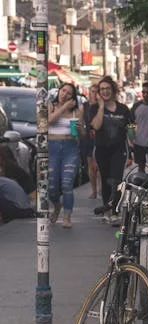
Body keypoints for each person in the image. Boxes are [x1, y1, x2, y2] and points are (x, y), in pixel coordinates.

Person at [89, 75, 133, 225]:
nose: (105, 92)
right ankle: (107, 209)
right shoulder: (94, 108)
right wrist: (101, 107)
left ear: (113, 90)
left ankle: (115, 210)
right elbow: (96, 126)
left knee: (116, 180)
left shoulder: (123, 109)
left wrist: (134, 131)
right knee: (106, 180)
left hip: (119, 150)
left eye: (108, 89)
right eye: (102, 89)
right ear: (98, 92)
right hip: (102, 149)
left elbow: (132, 124)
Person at [47, 82, 83, 229]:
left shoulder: (76, 111)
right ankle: (57, 205)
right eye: (63, 91)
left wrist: (81, 129)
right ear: (58, 91)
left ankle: (67, 216)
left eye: (69, 93)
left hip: (70, 148)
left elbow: (83, 133)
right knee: (51, 186)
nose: (65, 94)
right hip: (53, 148)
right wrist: (63, 108)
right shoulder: (50, 105)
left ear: (72, 97)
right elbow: (49, 120)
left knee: (67, 184)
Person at [80, 84, 101, 199]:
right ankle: (94, 191)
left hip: (99, 137)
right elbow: (80, 120)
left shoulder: (101, 106)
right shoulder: (85, 106)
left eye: (96, 92)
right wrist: (81, 132)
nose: (93, 94)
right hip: (88, 137)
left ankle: (100, 188)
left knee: (99, 165)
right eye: (92, 91)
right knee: (91, 165)